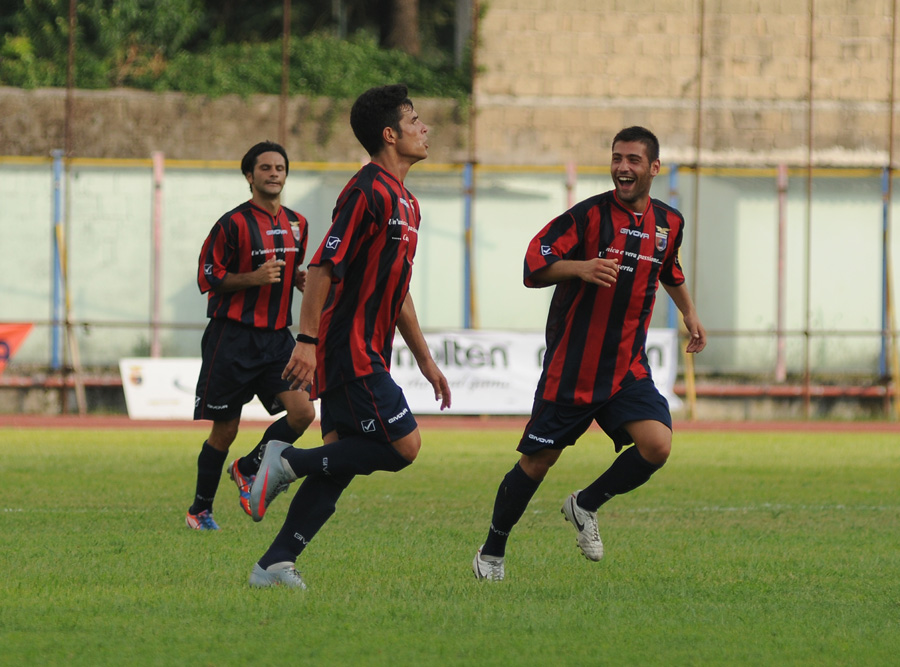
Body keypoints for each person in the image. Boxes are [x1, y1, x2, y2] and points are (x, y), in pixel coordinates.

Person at [472, 126, 706, 581]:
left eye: (634, 160)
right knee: (537, 464)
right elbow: (533, 265)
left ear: (654, 168)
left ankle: (586, 503)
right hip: (572, 369)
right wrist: (580, 267)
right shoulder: (588, 216)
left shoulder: (668, 223)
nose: (623, 167)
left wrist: (690, 314)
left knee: (657, 445)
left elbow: (669, 268)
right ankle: (492, 551)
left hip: (625, 368)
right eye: (617, 158)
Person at [245, 84, 451, 589]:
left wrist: (425, 360)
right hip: (348, 347)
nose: (425, 128)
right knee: (404, 447)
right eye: (415, 120)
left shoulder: (408, 203)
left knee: (337, 464)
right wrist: (308, 342)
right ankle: (285, 459)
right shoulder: (367, 190)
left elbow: (397, 291)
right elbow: (321, 267)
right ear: (389, 134)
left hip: (366, 348)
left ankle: (273, 563)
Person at [186, 141, 316, 531]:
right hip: (233, 339)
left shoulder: (298, 223)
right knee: (225, 430)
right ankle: (200, 510)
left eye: (279, 167)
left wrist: (298, 280)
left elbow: (289, 272)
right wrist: (252, 279)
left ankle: (248, 467)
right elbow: (207, 278)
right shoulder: (232, 224)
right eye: (265, 168)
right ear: (249, 176)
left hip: (277, 338)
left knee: (303, 413)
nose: (274, 173)